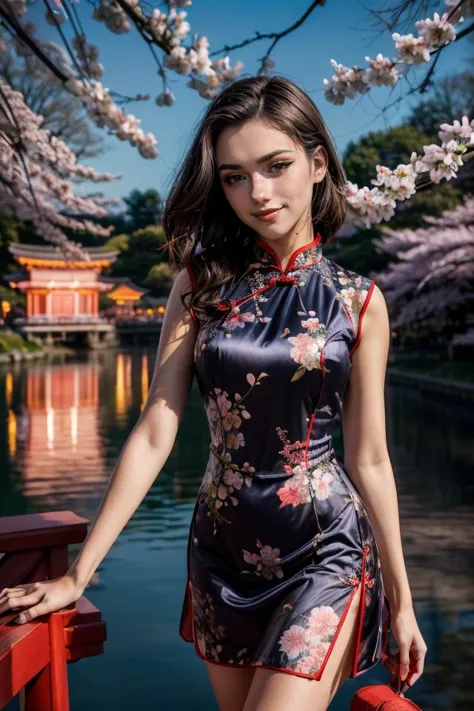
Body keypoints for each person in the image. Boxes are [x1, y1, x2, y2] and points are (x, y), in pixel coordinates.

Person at [0, 75, 427, 711]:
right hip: (220, 552)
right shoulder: (197, 284)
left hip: (326, 553)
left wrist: (403, 599)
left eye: (276, 166)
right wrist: (77, 575)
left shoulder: (359, 302)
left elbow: (369, 459)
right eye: (233, 176)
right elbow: (155, 428)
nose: (257, 193)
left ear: (316, 164)